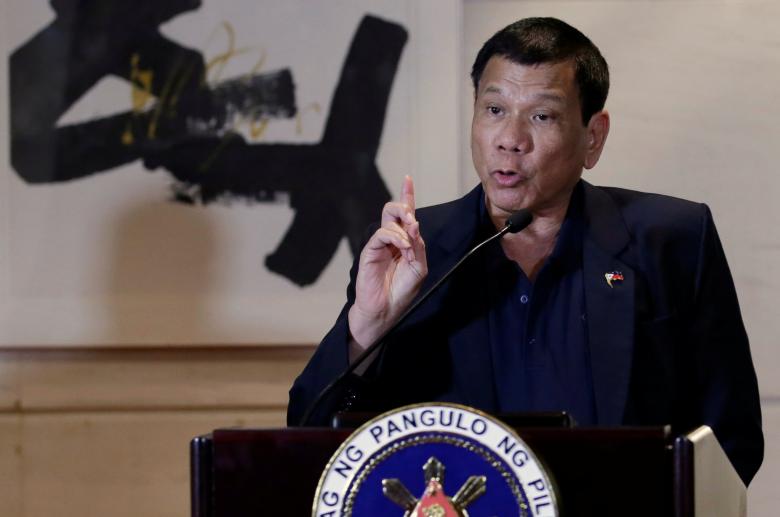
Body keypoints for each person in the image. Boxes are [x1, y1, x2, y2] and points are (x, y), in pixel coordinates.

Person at [287, 17, 763, 485]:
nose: (509, 140)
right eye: (494, 110)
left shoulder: (672, 240)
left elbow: (731, 439)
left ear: (592, 137)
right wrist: (369, 327)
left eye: (542, 115)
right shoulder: (411, 248)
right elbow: (312, 437)